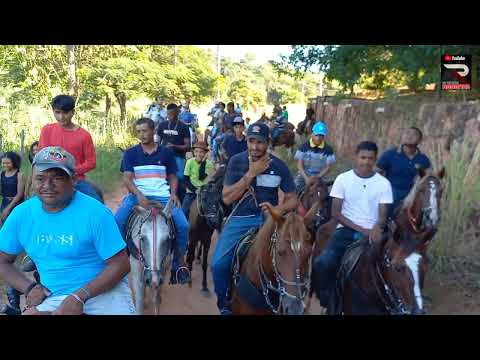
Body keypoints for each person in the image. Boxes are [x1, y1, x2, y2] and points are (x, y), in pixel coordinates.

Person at [0, 146, 135, 315]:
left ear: (74, 179)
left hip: (103, 293)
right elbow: (2, 260)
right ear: (32, 179)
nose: (47, 186)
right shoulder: (22, 214)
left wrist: (79, 296)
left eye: (57, 178)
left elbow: (120, 265)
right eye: (40, 178)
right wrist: (30, 287)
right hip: (53, 295)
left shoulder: (95, 212)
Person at [211, 122, 297, 315]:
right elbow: (226, 198)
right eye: (251, 141)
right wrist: (251, 174)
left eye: (260, 142)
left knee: (294, 257)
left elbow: (293, 199)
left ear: (268, 143)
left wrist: (278, 209)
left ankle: (291, 301)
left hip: (271, 220)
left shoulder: (279, 165)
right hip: (242, 218)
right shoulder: (236, 161)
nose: (255, 146)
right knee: (218, 265)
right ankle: (224, 304)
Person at [311, 141, 393, 308]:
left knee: (396, 266)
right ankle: (327, 300)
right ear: (356, 157)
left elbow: (383, 215)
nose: (366, 162)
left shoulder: (383, 183)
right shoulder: (343, 179)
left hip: (374, 231)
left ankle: (397, 304)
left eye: (370, 158)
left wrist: (376, 228)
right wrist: (363, 230)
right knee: (323, 263)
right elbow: (336, 213)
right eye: (363, 157)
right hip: (346, 231)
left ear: (376, 159)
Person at [116, 118, 191, 285]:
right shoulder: (130, 153)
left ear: (153, 131)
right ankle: (120, 260)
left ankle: (178, 265)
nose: (142, 135)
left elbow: (172, 176)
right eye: (139, 131)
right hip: (138, 195)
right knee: (118, 221)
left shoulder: (166, 153)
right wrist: (138, 194)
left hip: (163, 196)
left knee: (183, 225)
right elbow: (127, 179)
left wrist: (173, 194)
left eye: (145, 130)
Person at [38, 95, 103, 203]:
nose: (61, 117)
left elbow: (91, 162)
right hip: (50, 179)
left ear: (72, 112)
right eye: (57, 112)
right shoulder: (46, 130)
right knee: (31, 205)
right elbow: (42, 155)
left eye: (65, 113)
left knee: (97, 204)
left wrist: (70, 171)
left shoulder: (84, 135)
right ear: (53, 111)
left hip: (76, 180)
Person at [376, 127, 431, 219]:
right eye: (407, 133)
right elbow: (377, 173)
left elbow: (427, 178)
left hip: (413, 192)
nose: (409, 136)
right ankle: (383, 226)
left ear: (420, 140)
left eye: (414, 134)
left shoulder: (423, 159)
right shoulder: (390, 154)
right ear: (402, 137)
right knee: (387, 205)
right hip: (392, 191)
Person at [157, 103, 191, 203]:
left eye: (172, 114)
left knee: (180, 178)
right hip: (163, 156)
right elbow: (156, 141)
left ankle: (180, 200)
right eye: (168, 114)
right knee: (160, 177)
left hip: (178, 156)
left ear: (177, 113)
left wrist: (174, 146)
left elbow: (188, 146)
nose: (170, 116)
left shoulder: (183, 127)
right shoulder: (162, 125)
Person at [294, 121, 336, 193]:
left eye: (321, 135)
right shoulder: (303, 147)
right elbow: (299, 165)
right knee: (294, 190)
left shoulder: (328, 149)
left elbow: (328, 167)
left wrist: (317, 177)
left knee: (327, 195)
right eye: (316, 135)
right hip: (304, 176)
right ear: (312, 133)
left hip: (320, 176)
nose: (318, 138)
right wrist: (306, 178)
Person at [182, 141, 215, 220]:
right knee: (184, 210)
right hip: (191, 191)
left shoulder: (209, 164)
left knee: (212, 211)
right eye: (196, 151)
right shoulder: (189, 162)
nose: (198, 154)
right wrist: (194, 190)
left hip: (204, 191)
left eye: (201, 152)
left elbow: (201, 177)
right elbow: (185, 179)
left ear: (205, 153)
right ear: (193, 152)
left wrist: (203, 163)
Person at [1, 152, 25, 226]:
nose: (5, 165)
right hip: (4, 203)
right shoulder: (1, 174)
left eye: (8, 163)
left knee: (15, 225)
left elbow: (20, 194)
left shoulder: (19, 175)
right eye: (3, 163)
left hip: (16, 204)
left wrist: (8, 208)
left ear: (14, 162)